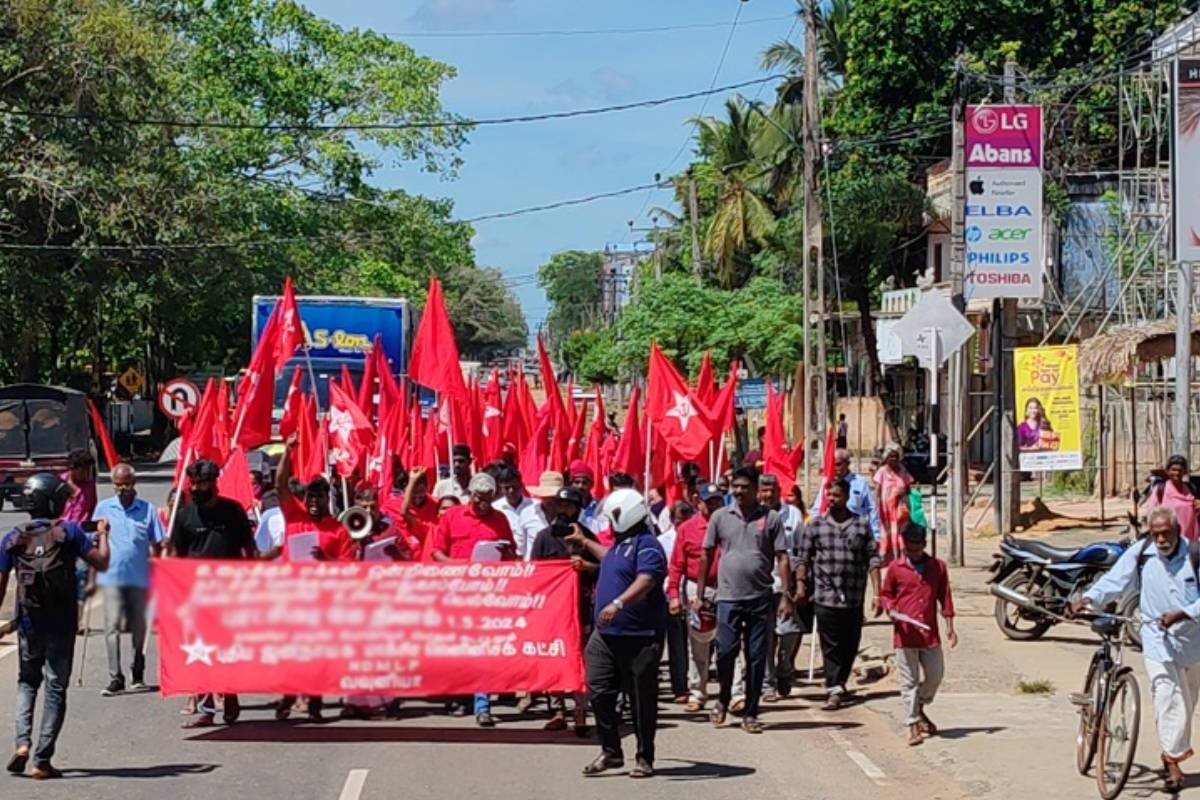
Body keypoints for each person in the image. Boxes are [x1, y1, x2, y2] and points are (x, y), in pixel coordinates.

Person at [1074, 506, 1200, 793]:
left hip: (1193, 642)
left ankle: (1174, 750)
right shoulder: (1142, 552)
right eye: (1156, 534)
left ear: (1177, 530)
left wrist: (1183, 613)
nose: (1161, 540)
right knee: (1166, 695)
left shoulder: (1194, 554)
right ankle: (1171, 761)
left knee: (1187, 701)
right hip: (1156, 639)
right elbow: (1116, 580)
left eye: (1166, 534)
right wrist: (1090, 598)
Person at [0, 473, 110, 780]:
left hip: (29, 625)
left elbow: (0, 587)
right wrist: (103, 534)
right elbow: (102, 562)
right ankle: (42, 760)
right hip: (61, 625)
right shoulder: (70, 531)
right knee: (55, 688)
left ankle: (22, 743)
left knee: (27, 683)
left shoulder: (13, 537)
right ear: (54, 501)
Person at [573, 488, 667, 779]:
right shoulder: (619, 545)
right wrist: (584, 541)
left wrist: (618, 603)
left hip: (640, 636)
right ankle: (611, 751)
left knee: (641, 698)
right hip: (605, 636)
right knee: (598, 688)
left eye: (612, 518)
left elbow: (647, 579)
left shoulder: (648, 545)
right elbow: (610, 558)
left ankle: (644, 756)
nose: (609, 524)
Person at [695, 466, 792, 734]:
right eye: (735, 486)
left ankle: (751, 711)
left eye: (744, 487)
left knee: (757, 656)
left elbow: (783, 557)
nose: (738, 491)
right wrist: (700, 594)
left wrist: (786, 595)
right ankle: (723, 698)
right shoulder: (720, 517)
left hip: (760, 598)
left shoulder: (771, 518)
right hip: (727, 597)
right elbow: (706, 554)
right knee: (725, 651)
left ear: (756, 489)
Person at [171, 459, 255, 728]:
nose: (196, 488)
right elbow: (177, 557)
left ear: (214, 483)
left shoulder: (233, 511)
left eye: (202, 483)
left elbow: (249, 549)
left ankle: (230, 694)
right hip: (196, 596)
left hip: (229, 594)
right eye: (193, 483)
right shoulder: (184, 516)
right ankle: (206, 708)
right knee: (201, 652)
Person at [430, 473, 515, 726]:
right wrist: (459, 566)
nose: (483, 503)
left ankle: (482, 705)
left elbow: (511, 554)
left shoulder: (500, 520)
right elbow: (436, 552)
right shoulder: (452, 516)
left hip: (488, 593)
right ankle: (460, 695)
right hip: (457, 592)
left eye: (488, 498)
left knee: (482, 650)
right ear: (471, 495)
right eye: (479, 498)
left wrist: (505, 552)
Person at [796, 477, 881, 710]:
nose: (832, 499)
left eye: (836, 495)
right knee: (830, 645)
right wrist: (801, 585)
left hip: (854, 597)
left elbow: (873, 558)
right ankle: (834, 687)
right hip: (825, 597)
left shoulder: (861, 525)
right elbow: (803, 558)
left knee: (850, 644)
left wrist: (878, 593)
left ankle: (840, 681)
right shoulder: (815, 526)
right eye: (829, 495)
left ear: (847, 497)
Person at [529, 486, 599, 734]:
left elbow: (602, 568)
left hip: (580, 609)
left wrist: (585, 565)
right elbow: (534, 573)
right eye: (560, 505)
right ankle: (558, 710)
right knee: (554, 658)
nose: (563, 510)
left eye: (568, 506)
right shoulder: (543, 537)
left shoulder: (588, 537)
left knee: (580, 660)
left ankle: (580, 711)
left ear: (578, 510)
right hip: (552, 610)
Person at [879, 522, 957, 746]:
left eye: (918, 547)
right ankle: (912, 723)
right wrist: (891, 609)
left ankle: (919, 705)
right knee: (909, 681)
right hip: (905, 636)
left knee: (935, 675)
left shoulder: (938, 567)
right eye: (909, 548)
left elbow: (945, 596)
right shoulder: (896, 568)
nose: (914, 552)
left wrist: (950, 626)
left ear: (924, 544)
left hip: (930, 635)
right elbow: (886, 595)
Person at [92, 464, 165, 696]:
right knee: (112, 626)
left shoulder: (147, 509)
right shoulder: (104, 508)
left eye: (125, 484)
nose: (121, 489)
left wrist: (160, 563)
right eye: (117, 485)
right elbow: (93, 539)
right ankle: (115, 677)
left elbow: (158, 542)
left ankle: (138, 672)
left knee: (138, 626)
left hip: (139, 577)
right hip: (111, 576)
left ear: (134, 484)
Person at [668, 482, 723, 712]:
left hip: (727, 587)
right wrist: (673, 594)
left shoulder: (730, 524)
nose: (713, 506)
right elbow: (676, 565)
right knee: (698, 643)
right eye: (709, 502)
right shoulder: (687, 529)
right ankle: (698, 691)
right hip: (696, 590)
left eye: (717, 501)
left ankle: (736, 692)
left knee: (731, 642)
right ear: (698, 502)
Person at [758, 474, 808, 703]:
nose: (768, 494)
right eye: (764, 490)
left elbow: (800, 552)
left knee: (790, 631)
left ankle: (784, 668)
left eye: (772, 490)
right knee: (765, 638)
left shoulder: (793, 514)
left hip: (785, 585)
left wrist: (800, 584)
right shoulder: (754, 515)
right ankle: (768, 684)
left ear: (779, 491)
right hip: (760, 586)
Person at [61, 450, 98, 635]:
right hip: (60, 538)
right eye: (84, 470)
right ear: (73, 469)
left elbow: (93, 511)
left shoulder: (90, 486)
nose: (86, 475)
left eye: (89, 470)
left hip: (82, 538)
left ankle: (77, 621)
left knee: (81, 576)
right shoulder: (60, 484)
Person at [660, 500, 692, 705]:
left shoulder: (696, 536)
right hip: (669, 597)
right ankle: (679, 687)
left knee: (693, 643)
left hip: (691, 595)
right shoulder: (663, 541)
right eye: (679, 521)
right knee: (676, 643)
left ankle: (693, 684)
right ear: (672, 520)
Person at [816, 449, 882, 541]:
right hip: (830, 531)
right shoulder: (827, 482)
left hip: (855, 530)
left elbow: (871, 509)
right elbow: (817, 508)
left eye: (838, 464)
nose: (834, 468)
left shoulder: (860, 482)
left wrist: (876, 535)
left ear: (847, 464)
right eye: (832, 464)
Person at [1145, 454, 1200, 542]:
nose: (1177, 473)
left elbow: (1195, 513)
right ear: (1167, 471)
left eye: (1180, 470)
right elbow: (1151, 515)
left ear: (1185, 471)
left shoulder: (1191, 489)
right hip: (1168, 540)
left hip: (1189, 539)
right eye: (1173, 470)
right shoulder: (1160, 490)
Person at [874, 443, 913, 562]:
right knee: (888, 531)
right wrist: (876, 506)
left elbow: (908, 488)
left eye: (895, 456)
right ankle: (888, 557)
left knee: (901, 531)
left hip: (900, 508)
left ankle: (901, 556)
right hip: (886, 509)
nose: (893, 458)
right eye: (891, 456)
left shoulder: (903, 470)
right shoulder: (882, 471)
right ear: (886, 457)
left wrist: (907, 504)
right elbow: (877, 490)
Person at [492, 465, 538, 559]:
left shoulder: (536, 506)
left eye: (515, 487)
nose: (511, 491)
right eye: (507, 488)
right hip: (506, 561)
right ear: (500, 488)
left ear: (521, 485)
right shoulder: (495, 508)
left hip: (531, 559)